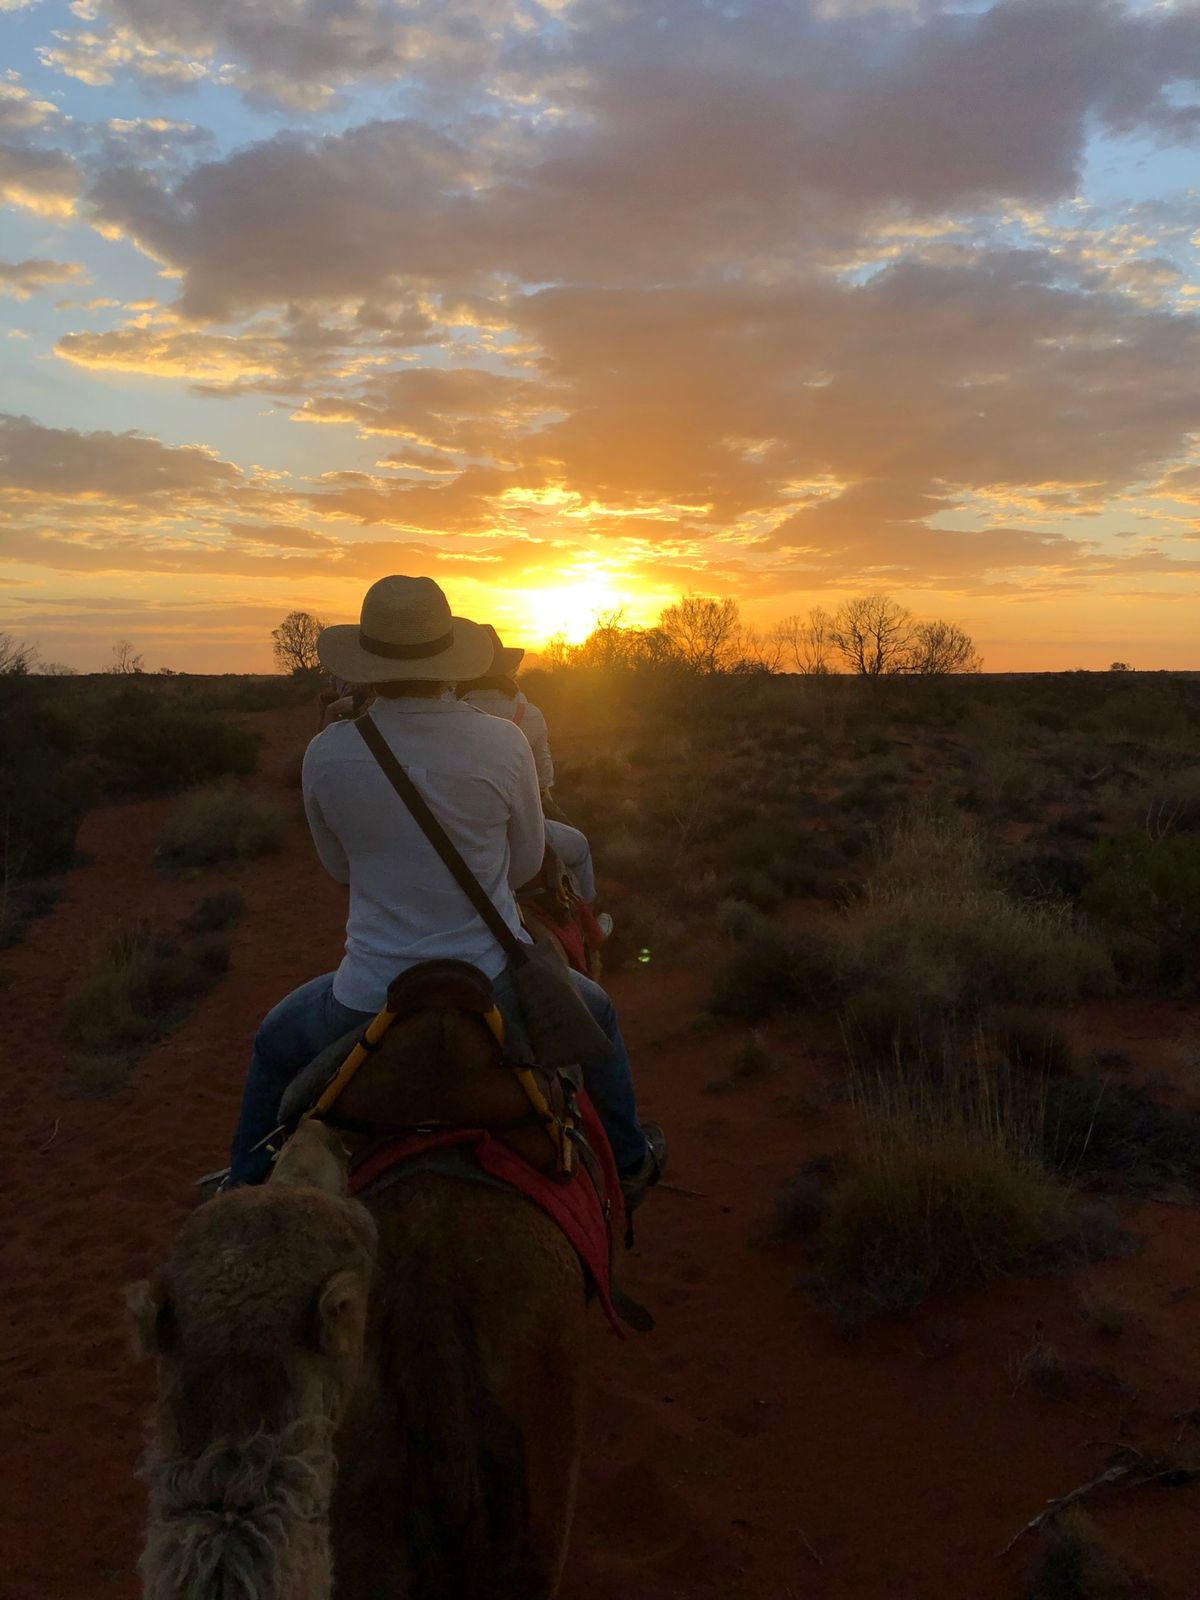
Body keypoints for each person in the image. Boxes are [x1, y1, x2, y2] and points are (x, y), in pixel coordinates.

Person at [227, 575, 664, 1203]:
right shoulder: (505, 740)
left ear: (367, 664)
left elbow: (340, 869)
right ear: (447, 657)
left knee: (274, 1043)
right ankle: (629, 1158)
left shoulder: (325, 753)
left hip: (366, 993)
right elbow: (522, 868)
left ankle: (240, 1181)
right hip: (493, 984)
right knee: (598, 1013)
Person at [458, 625, 599, 907]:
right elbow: (543, 781)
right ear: (505, 671)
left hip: (458, 824)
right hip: (514, 826)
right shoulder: (529, 715)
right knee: (580, 846)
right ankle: (591, 916)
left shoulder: (449, 712)